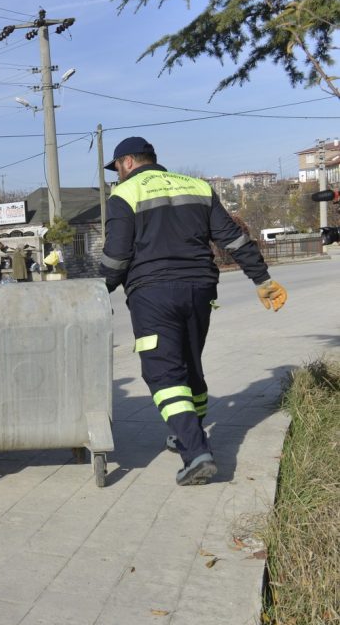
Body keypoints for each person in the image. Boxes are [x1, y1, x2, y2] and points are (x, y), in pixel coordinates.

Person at [100, 137, 288, 486]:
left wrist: (99, 291)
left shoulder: (124, 194)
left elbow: (117, 255)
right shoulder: (197, 186)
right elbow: (232, 238)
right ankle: (185, 433)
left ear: (127, 162)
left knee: (163, 373)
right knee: (189, 365)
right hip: (200, 289)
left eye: (117, 169)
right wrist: (261, 279)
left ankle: (196, 452)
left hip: (153, 292)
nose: (117, 175)